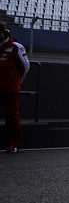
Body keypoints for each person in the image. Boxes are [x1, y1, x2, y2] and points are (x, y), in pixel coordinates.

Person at [0, 23, 30, 153]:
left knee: (12, 117)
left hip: (10, 89)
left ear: (3, 32)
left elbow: (25, 67)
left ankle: (14, 143)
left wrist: (16, 82)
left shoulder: (15, 47)